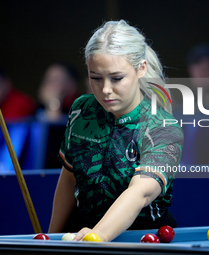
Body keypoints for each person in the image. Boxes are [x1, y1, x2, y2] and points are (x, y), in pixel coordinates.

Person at [48, 20, 184, 242]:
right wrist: (51, 240)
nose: (105, 90)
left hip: (145, 241)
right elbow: (69, 179)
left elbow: (139, 193)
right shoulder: (81, 111)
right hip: (83, 237)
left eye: (117, 78)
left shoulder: (162, 127)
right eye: (96, 78)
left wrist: (97, 236)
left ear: (141, 69)